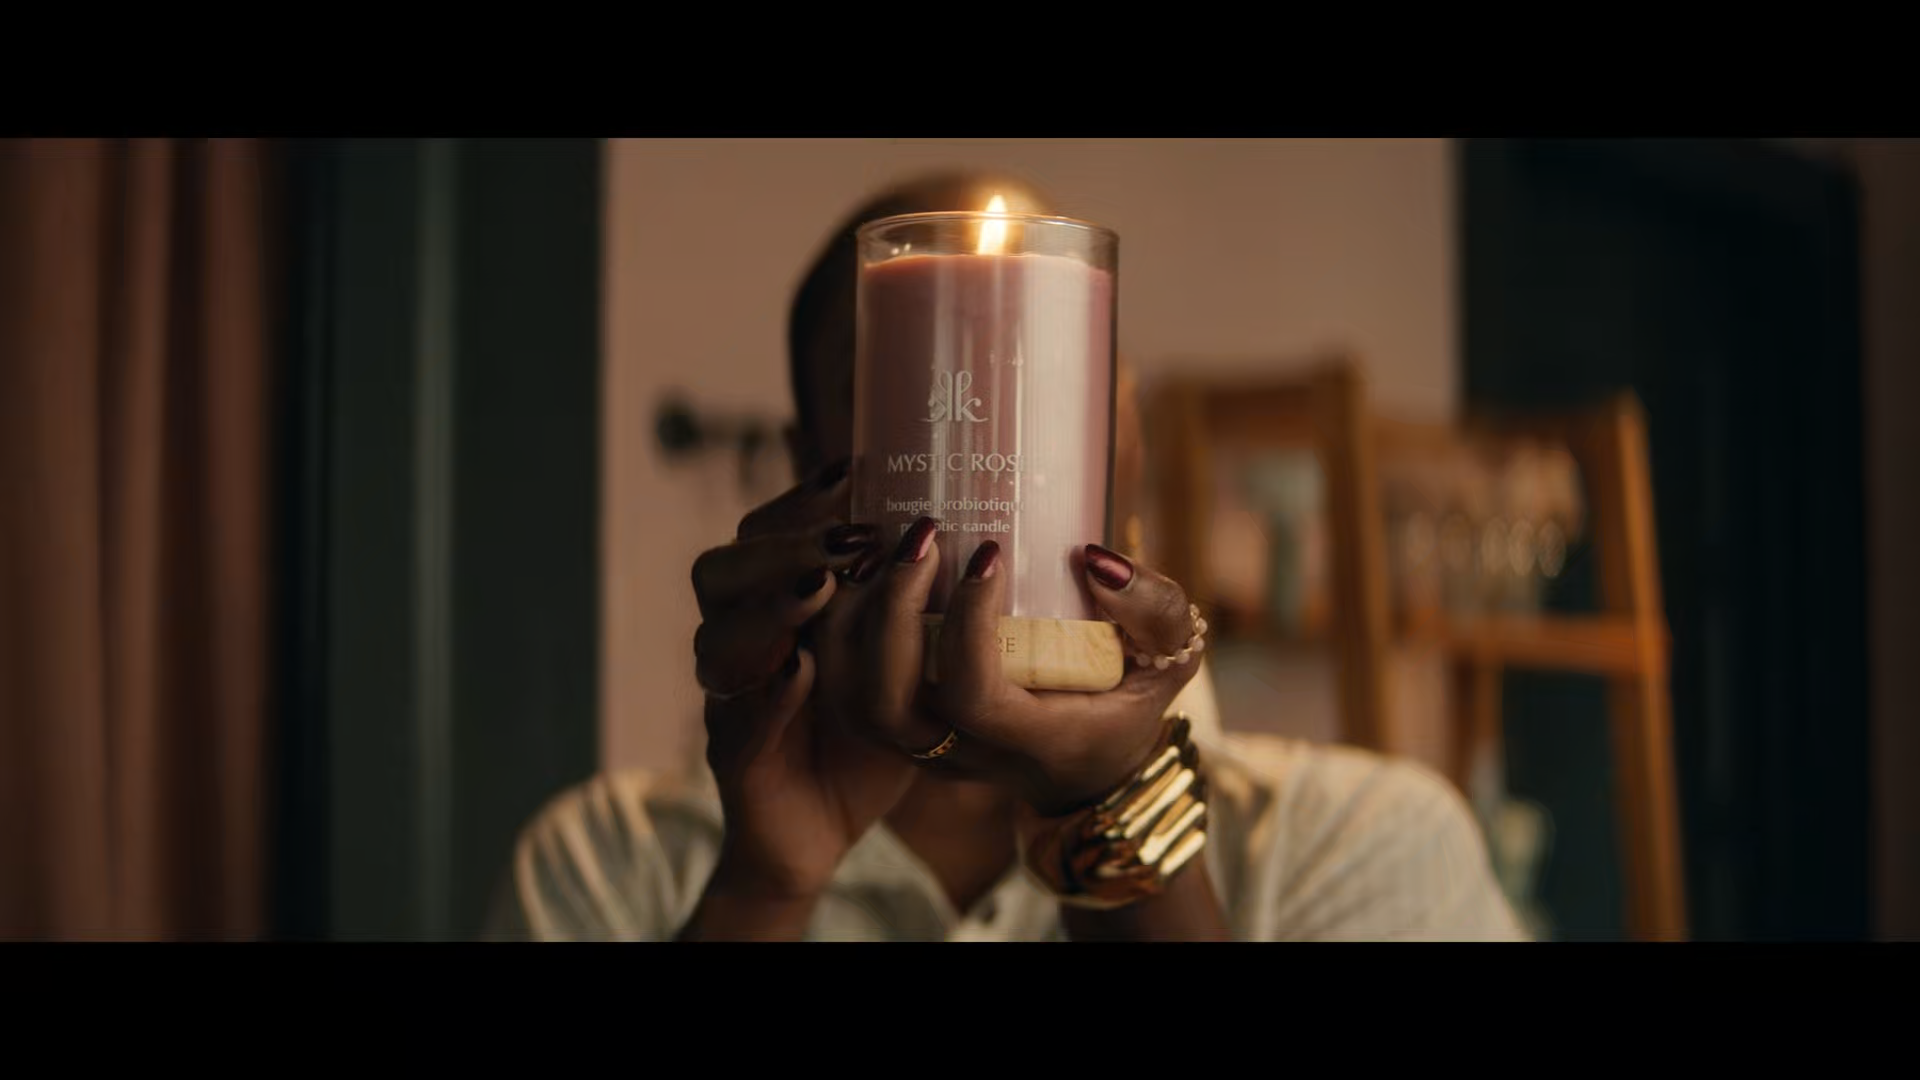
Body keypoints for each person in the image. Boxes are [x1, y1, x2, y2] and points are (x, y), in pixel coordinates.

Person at [485, 171, 1526, 942]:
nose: (998, 425)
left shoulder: (1365, 846)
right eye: (917, 384)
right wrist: (761, 892)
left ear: (1123, 437)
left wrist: (1118, 821)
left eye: (1047, 378)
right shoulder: (606, 866)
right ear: (811, 467)